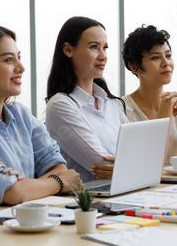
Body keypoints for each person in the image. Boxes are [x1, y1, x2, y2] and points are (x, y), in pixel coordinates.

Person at [0, 25, 82, 205]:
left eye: (19, 58)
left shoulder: (21, 114)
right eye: (9, 60)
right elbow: (10, 193)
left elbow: (59, 166)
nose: (21, 67)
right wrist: (58, 183)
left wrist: (25, 186)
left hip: (32, 219)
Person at [45, 16, 128, 182]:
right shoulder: (61, 105)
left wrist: (128, 166)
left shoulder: (111, 103)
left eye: (105, 48)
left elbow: (138, 150)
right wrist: (136, 166)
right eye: (94, 47)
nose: (103, 56)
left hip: (126, 191)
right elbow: (102, 165)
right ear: (68, 50)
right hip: (89, 202)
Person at [121, 25, 177, 165]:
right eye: (156, 57)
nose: (166, 63)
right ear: (134, 66)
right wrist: (167, 107)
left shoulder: (176, 104)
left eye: (168, 55)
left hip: (171, 186)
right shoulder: (123, 109)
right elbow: (154, 162)